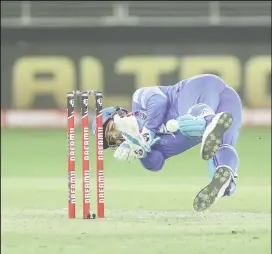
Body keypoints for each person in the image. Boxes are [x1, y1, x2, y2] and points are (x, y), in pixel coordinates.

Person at [92, 74, 242, 212]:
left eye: (111, 129)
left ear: (119, 114)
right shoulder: (150, 146)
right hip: (229, 105)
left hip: (202, 88)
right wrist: (142, 152)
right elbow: (156, 164)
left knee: (186, 123)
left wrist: (146, 133)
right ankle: (226, 178)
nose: (116, 137)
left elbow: (158, 100)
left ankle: (208, 120)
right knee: (224, 147)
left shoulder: (138, 100)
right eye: (111, 141)